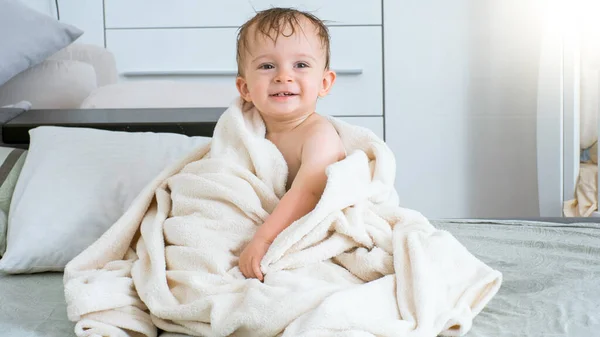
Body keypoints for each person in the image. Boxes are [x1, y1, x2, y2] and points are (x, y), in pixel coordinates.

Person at [235, 7, 346, 281]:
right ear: (245, 88)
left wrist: (262, 240)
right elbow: (224, 173)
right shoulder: (244, 131)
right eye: (267, 66)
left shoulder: (317, 134)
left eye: (301, 65)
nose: (283, 76)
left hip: (294, 225)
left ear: (324, 82)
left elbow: (309, 191)